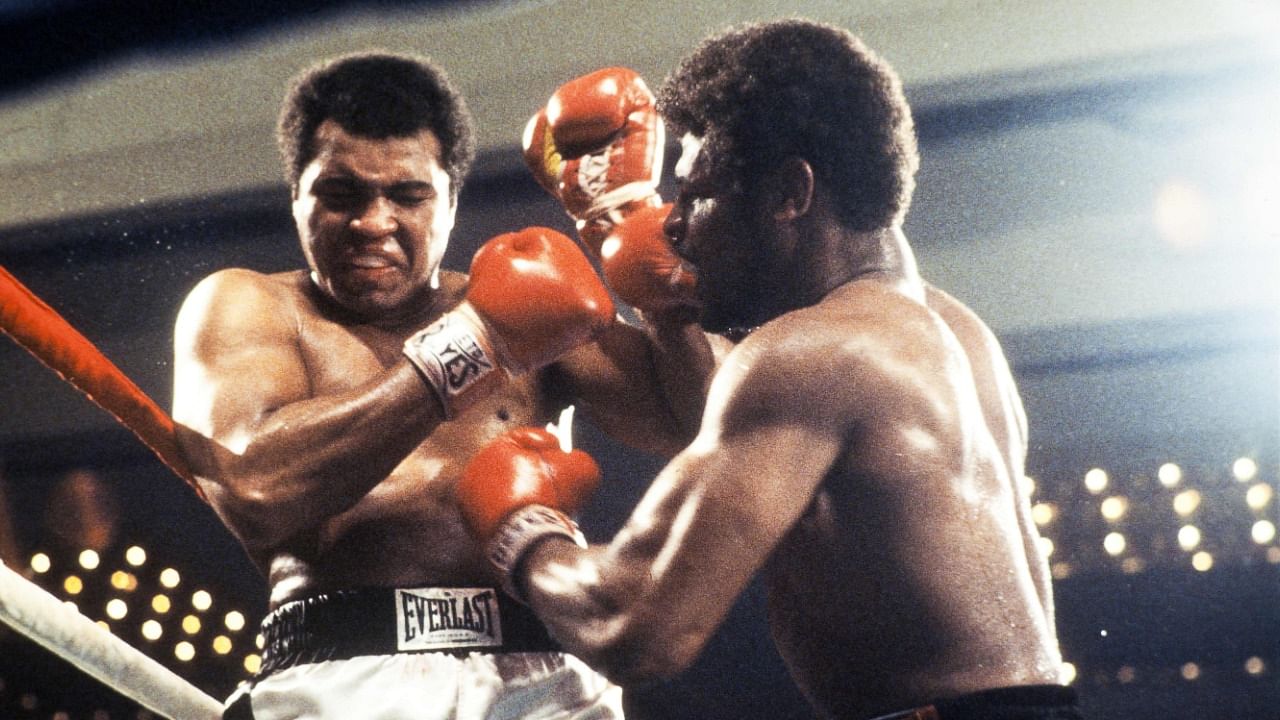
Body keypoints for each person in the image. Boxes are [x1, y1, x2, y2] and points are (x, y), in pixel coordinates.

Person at [454, 19, 1083, 720]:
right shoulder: (952, 333)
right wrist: (636, 262)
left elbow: (634, 625)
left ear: (790, 194)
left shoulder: (810, 356)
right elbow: (747, 449)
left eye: (696, 194)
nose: (671, 224)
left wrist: (525, 534)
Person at [170, 51, 715, 720]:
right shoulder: (247, 306)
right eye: (340, 195)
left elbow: (703, 429)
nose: (374, 223)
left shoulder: (531, 299)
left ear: (452, 201)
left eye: (407, 194)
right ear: (297, 198)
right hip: (346, 675)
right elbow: (256, 487)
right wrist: (475, 345)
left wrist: (631, 235)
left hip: (548, 676)